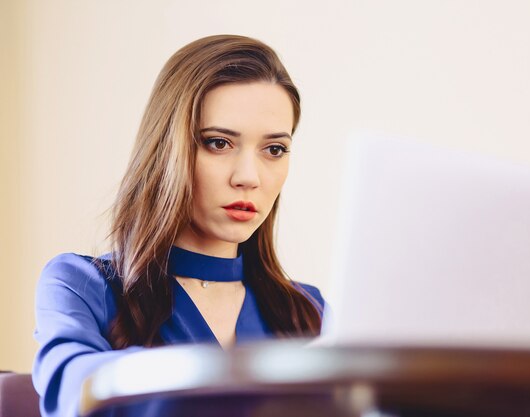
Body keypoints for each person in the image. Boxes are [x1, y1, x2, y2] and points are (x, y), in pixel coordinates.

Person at [32, 35, 325, 417]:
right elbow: (73, 391)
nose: (249, 177)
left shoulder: (310, 312)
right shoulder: (83, 285)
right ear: (166, 150)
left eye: (274, 150)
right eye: (219, 143)